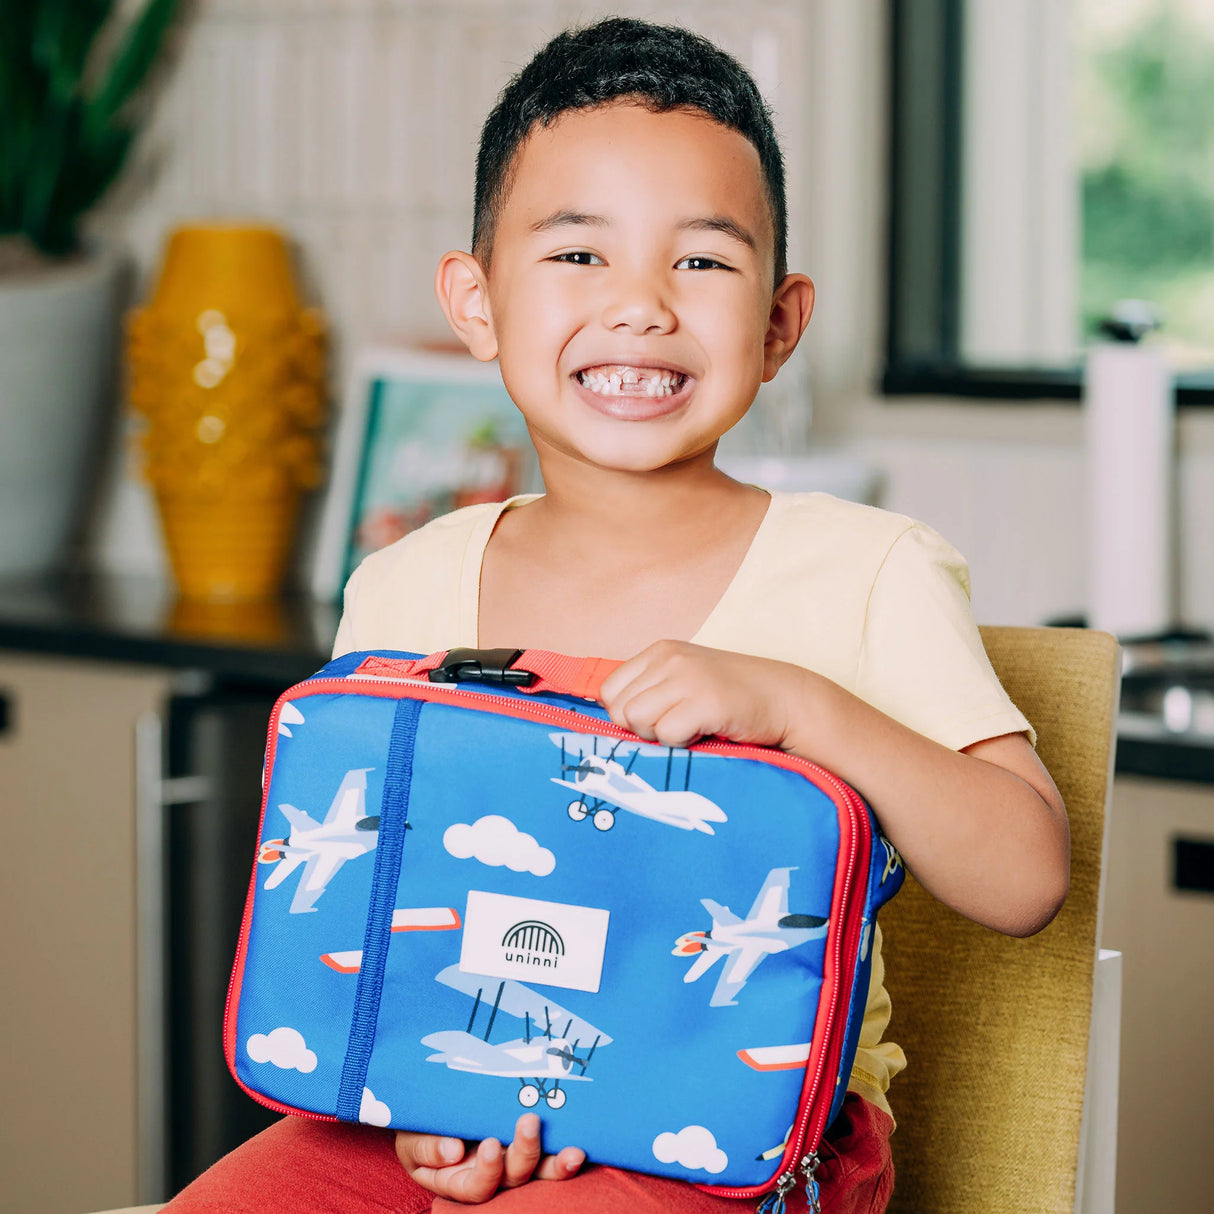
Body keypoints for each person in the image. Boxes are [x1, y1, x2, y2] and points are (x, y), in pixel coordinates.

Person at [165, 17, 1067, 1214]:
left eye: (700, 261)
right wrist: (436, 1118)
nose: (639, 306)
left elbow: (1024, 876)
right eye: (578, 255)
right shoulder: (403, 580)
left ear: (779, 322)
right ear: (476, 302)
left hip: (744, 1135)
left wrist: (798, 706)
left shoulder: (866, 566)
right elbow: (384, 898)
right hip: (452, 1103)